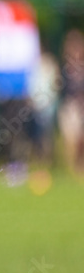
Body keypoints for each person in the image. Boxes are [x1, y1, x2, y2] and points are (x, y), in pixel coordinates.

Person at [58, 29, 84, 175]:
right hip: (70, 107)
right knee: (70, 140)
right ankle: (71, 171)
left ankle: (80, 170)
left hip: (82, 108)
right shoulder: (64, 70)